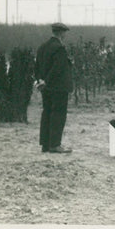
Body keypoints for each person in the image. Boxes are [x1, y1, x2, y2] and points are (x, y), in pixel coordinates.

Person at [35, 22, 74, 153]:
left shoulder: (42, 47)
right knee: (58, 115)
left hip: (45, 88)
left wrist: (40, 81)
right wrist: (47, 81)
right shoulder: (59, 48)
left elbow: (37, 67)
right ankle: (55, 145)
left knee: (46, 113)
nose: (66, 35)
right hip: (59, 88)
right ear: (61, 33)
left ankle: (45, 145)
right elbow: (58, 68)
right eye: (65, 33)